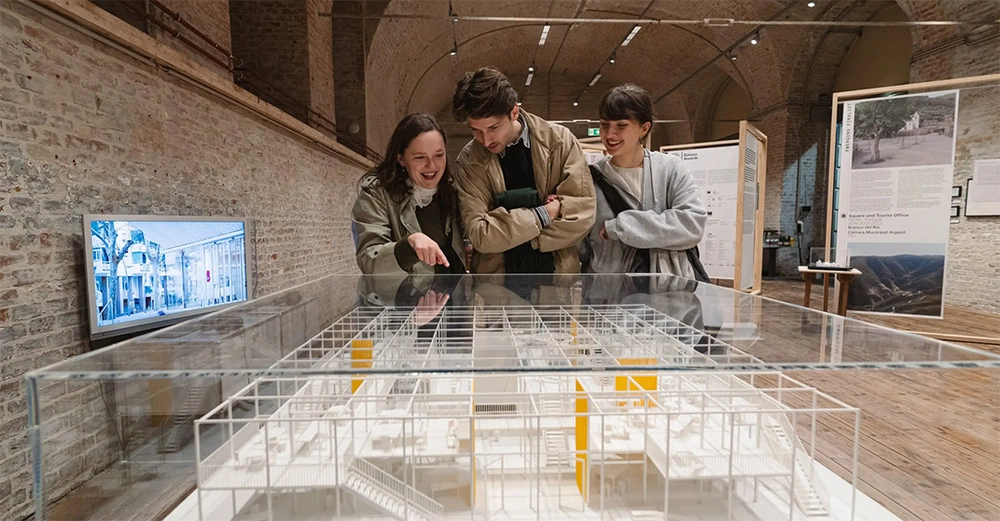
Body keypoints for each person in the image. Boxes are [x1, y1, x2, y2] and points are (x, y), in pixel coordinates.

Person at [451, 67, 595, 275]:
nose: (486, 140)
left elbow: (581, 217)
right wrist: (545, 214)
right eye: (476, 130)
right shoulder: (469, 160)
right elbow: (479, 235)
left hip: (557, 283)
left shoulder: (560, 142)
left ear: (514, 112)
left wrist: (511, 234)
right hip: (496, 287)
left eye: (493, 128)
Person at [581, 83, 708, 280]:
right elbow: (581, 241)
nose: (609, 134)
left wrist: (620, 227)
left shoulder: (671, 169)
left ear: (644, 128)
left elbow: (692, 224)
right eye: (604, 124)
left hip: (667, 292)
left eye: (621, 125)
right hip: (607, 295)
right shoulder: (590, 178)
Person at [351, 113, 466, 276]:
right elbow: (368, 260)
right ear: (401, 159)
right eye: (420, 157)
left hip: (453, 298)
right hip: (403, 299)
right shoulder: (376, 195)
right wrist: (408, 246)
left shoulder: (454, 192)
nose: (431, 165)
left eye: (439, 155)